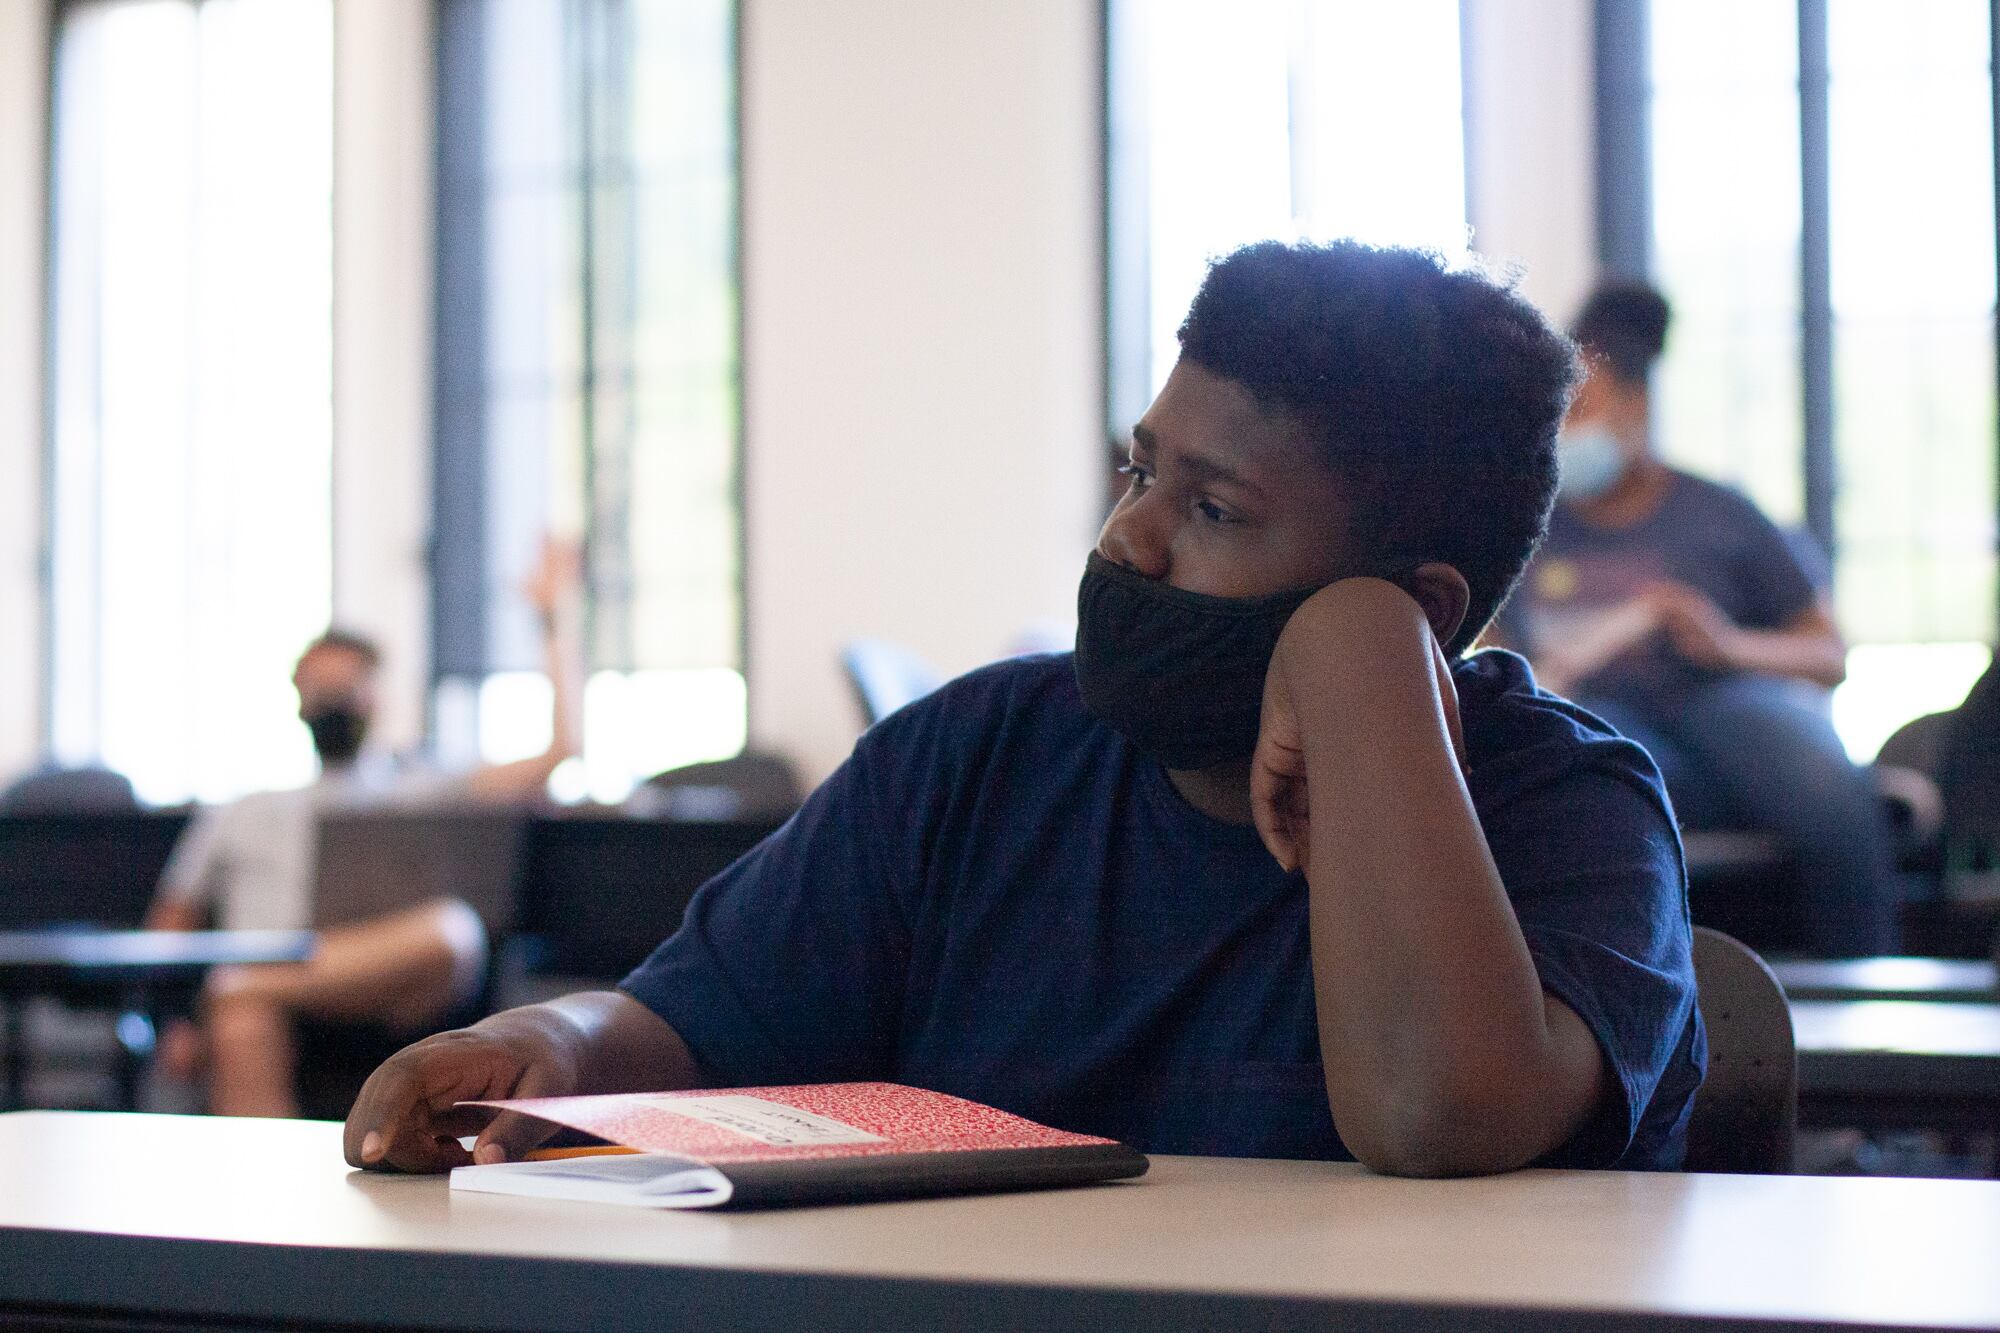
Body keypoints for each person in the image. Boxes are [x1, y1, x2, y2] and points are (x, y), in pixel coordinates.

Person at [345, 241, 1704, 1178]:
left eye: (1216, 509)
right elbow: (682, 1028)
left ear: (1426, 607)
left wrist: (1360, 655)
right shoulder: (980, 753)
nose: (1131, 541)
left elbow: (1436, 1113)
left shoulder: (1570, 811)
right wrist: (539, 1044)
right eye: (1141, 472)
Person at [1500, 280, 1896, 958]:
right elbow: (1495, 657)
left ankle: (1864, 984)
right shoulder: (1526, 532)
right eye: (1554, 414)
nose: (1566, 429)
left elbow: (1829, 654)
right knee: (1584, 775)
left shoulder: (1721, 513)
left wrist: (1728, 644)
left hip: (1728, 709)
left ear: (1636, 403)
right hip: (1605, 723)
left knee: (1826, 791)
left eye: (1583, 407)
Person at [145, 543, 583, 1116]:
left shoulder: (423, 788)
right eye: (319, 689)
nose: (334, 702)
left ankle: (244, 984)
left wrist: (553, 617)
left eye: (348, 688)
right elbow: (172, 921)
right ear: (297, 699)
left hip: (392, 985)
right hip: (275, 984)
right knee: (240, 1018)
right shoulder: (241, 810)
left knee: (452, 931)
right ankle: (266, 1189)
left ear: (377, 698)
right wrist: (173, 1020)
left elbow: (561, 751)